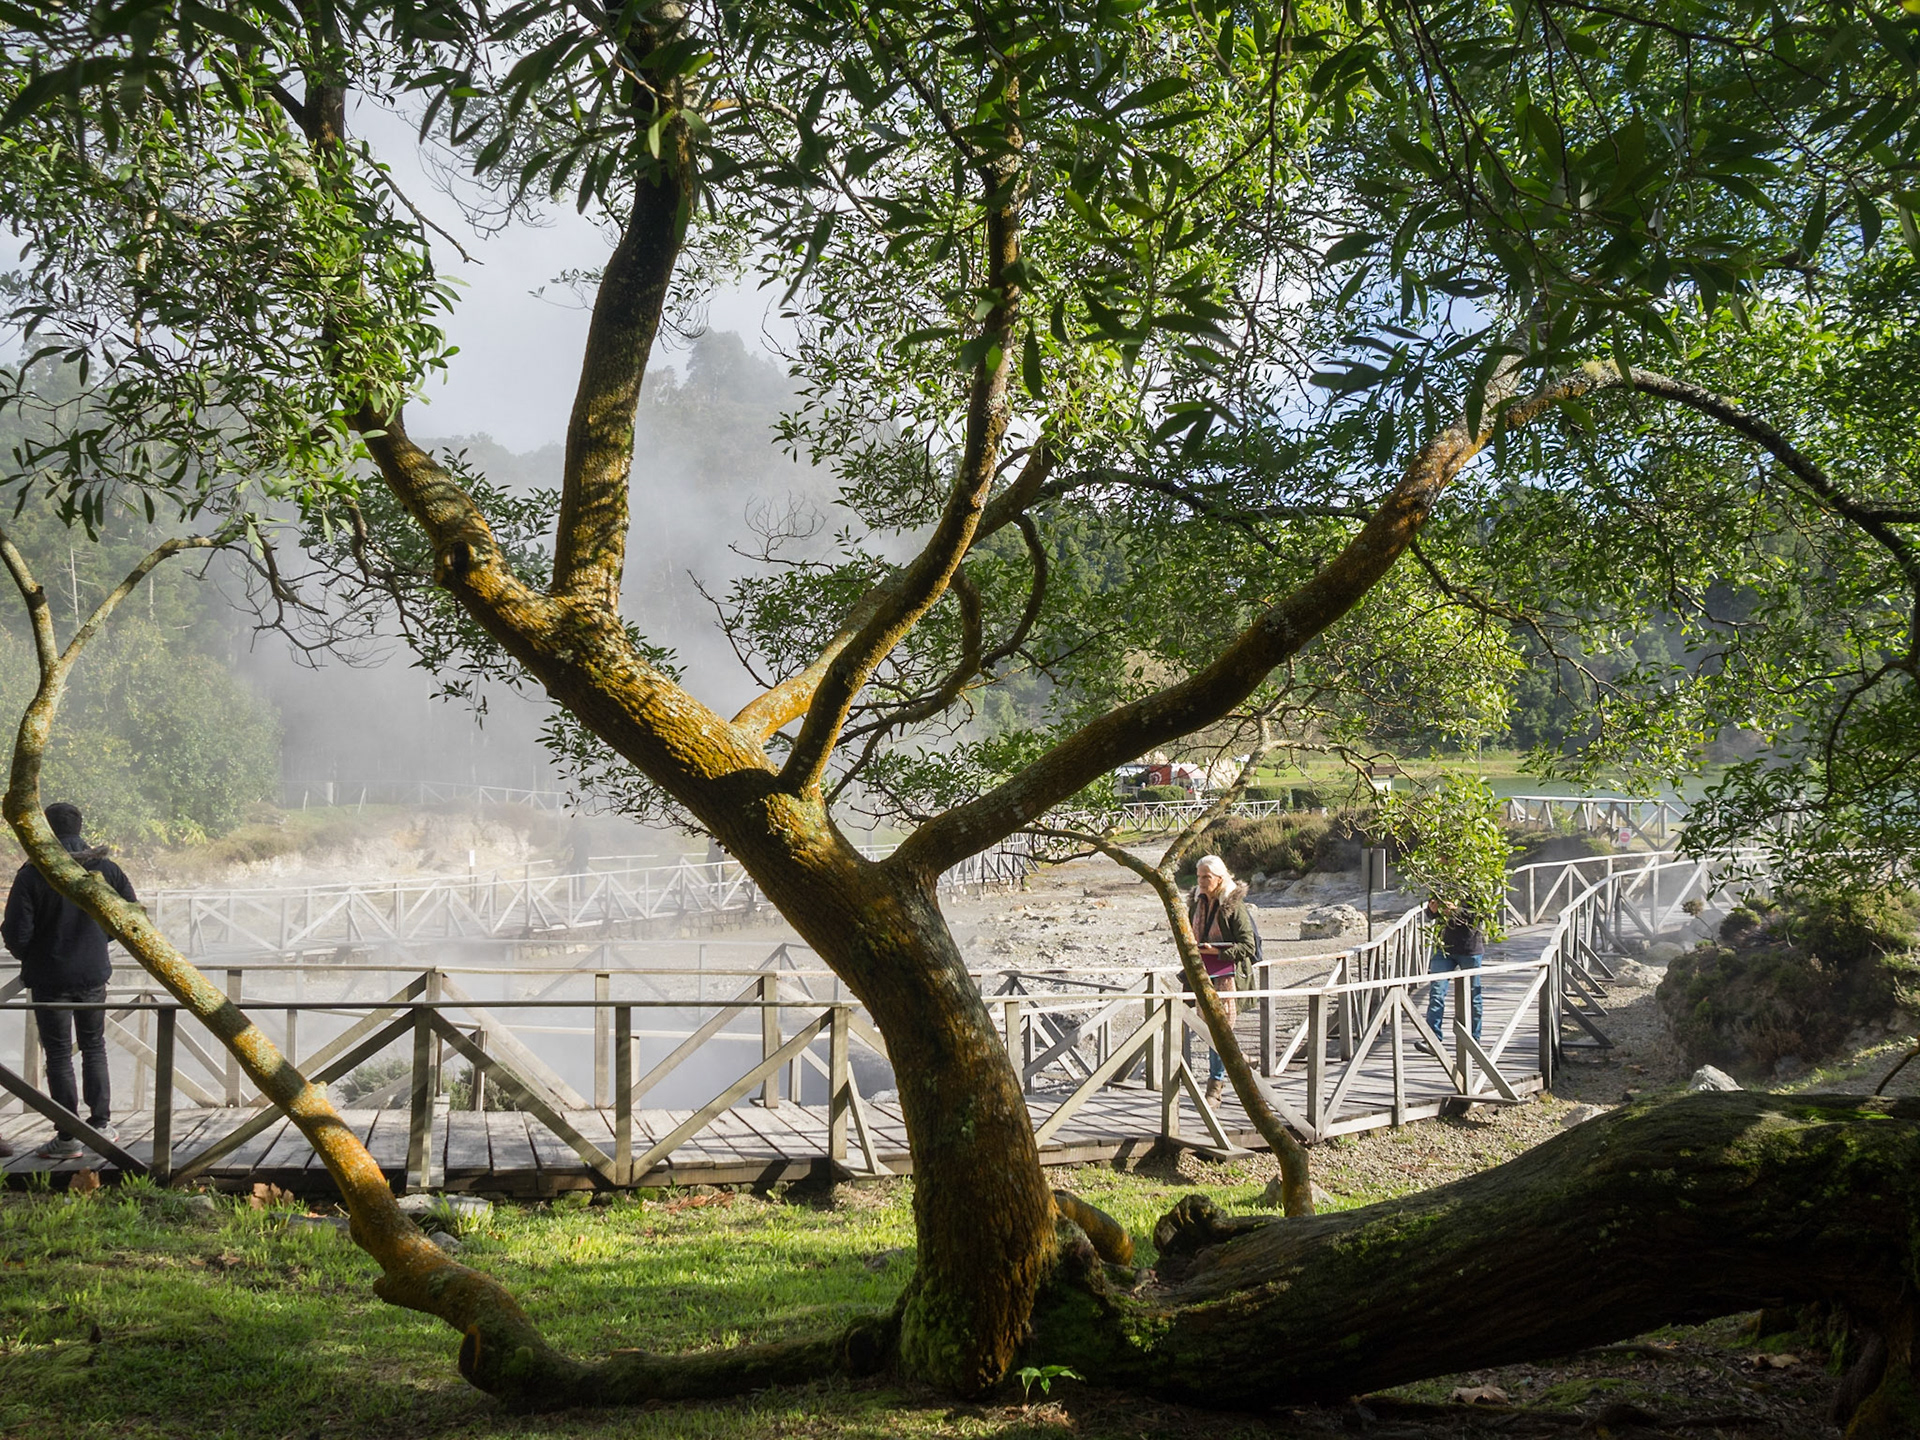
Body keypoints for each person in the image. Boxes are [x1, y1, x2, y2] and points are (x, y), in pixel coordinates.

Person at [2, 803, 138, 1159]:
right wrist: (97, 941)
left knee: (59, 1054)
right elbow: (129, 916)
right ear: (81, 826)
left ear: (44, 830)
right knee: (94, 1046)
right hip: (93, 974)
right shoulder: (105, 868)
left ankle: (68, 1138)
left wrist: (33, 955)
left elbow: (16, 933)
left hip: (49, 978)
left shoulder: (33, 874)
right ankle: (101, 1125)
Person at [1186, 854, 1258, 1105]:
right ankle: (1238, 1057)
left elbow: (1248, 946)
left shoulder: (1233, 905)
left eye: (1206, 877)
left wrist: (1217, 951)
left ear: (1220, 878)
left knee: (1219, 1028)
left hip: (1227, 977)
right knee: (1211, 1030)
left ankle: (1215, 1086)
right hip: (1202, 974)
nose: (1202, 881)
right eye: (1199, 877)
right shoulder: (1196, 903)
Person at [1424, 896, 1485, 1043]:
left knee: (1473, 996)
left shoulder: (1476, 885)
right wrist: (1432, 911)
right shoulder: (1443, 882)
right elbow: (1431, 914)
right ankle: (1433, 1040)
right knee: (1436, 993)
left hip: (1470, 948)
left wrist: (1457, 911)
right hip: (1444, 949)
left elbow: (1483, 914)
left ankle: (1474, 1041)